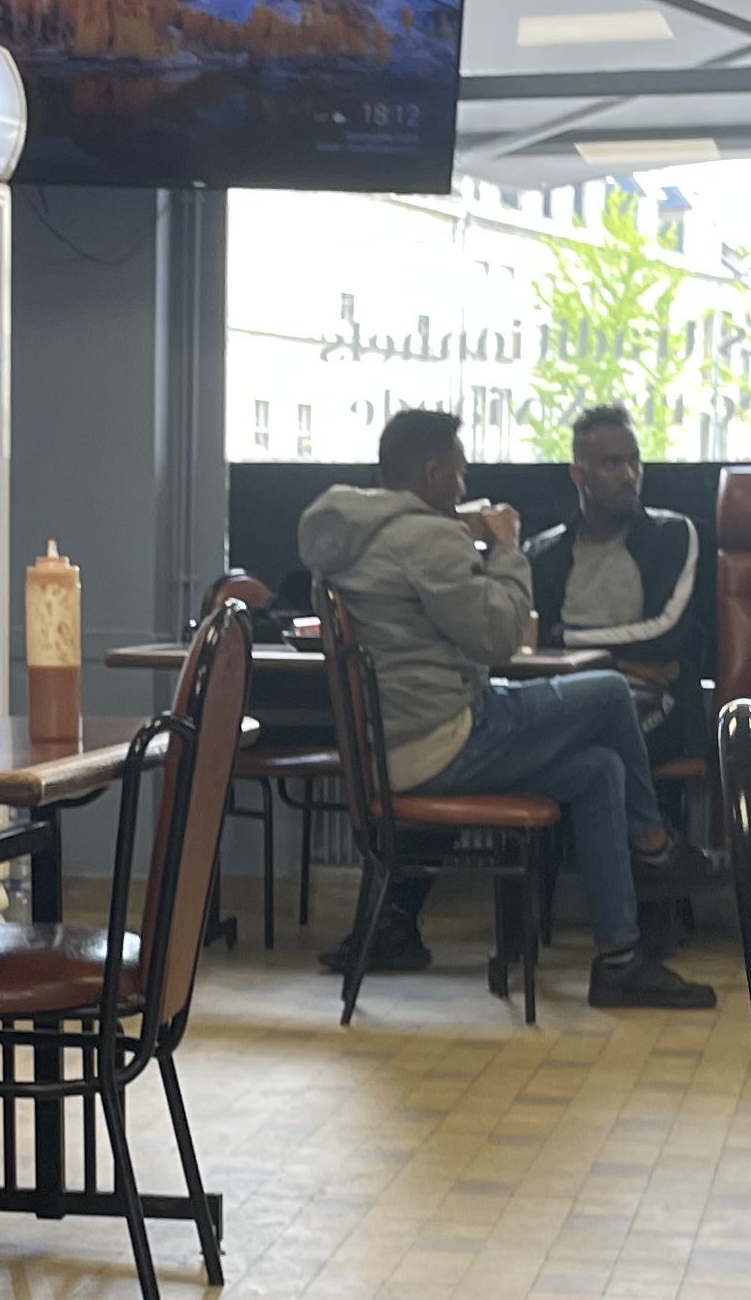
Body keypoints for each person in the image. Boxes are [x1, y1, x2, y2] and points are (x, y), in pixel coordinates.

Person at [299, 407, 717, 1011]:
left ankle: (619, 961)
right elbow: (499, 638)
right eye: (459, 471)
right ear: (433, 472)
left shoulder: (350, 536)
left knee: (600, 769)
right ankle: (655, 849)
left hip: (392, 748)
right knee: (606, 692)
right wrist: (506, 547)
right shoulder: (428, 539)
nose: (464, 485)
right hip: (443, 741)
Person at [527, 403, 710, 766]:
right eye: (611, 464)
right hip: (566, 699)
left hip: (655, 703)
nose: (629, 476)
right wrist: (627, 662)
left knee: (597, 741)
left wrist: (565, 639)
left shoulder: (671, 535)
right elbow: (531, 644)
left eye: (635, 462)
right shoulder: (543, 553)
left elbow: (667, 635)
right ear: (579, 476)